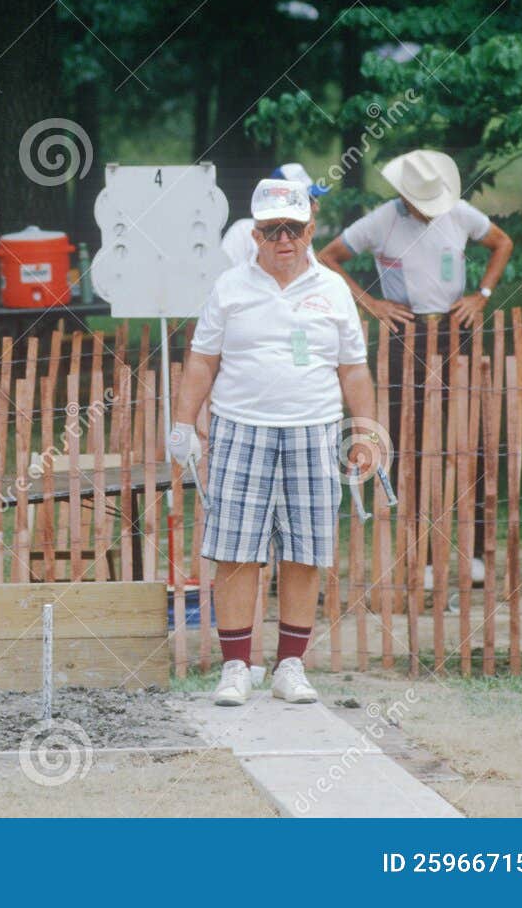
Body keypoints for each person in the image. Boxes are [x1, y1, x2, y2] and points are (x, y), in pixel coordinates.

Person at [169, 178, 377, 706]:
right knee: (235, 549)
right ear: (255, 234)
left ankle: (290, 665)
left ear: (310, 230)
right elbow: (202, 359)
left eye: (292, 229)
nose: (283, 240)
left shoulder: (332, 290)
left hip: (316, 428)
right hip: (240, 426)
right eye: (270, 230)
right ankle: (237, 667)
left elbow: (353, 369)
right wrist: (183, 422)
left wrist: (367, 431)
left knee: (306, 549)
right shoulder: (230, 287)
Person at [317, 149, 513, 586]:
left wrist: (481, 293)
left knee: (470, 440)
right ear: (405, 197)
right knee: (413, 443)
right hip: (406, 333)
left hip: (455, 328)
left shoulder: (459, 213)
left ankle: (475, 554)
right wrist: (368, 301)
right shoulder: (380, 221)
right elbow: (327, 257)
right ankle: (421, 558)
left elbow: (502, 242)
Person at [220, 162, 328, 269]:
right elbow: (221, 274)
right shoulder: (242, 231)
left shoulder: (301, 232)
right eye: (309, 200)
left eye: (315, 198)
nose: (316, 208)